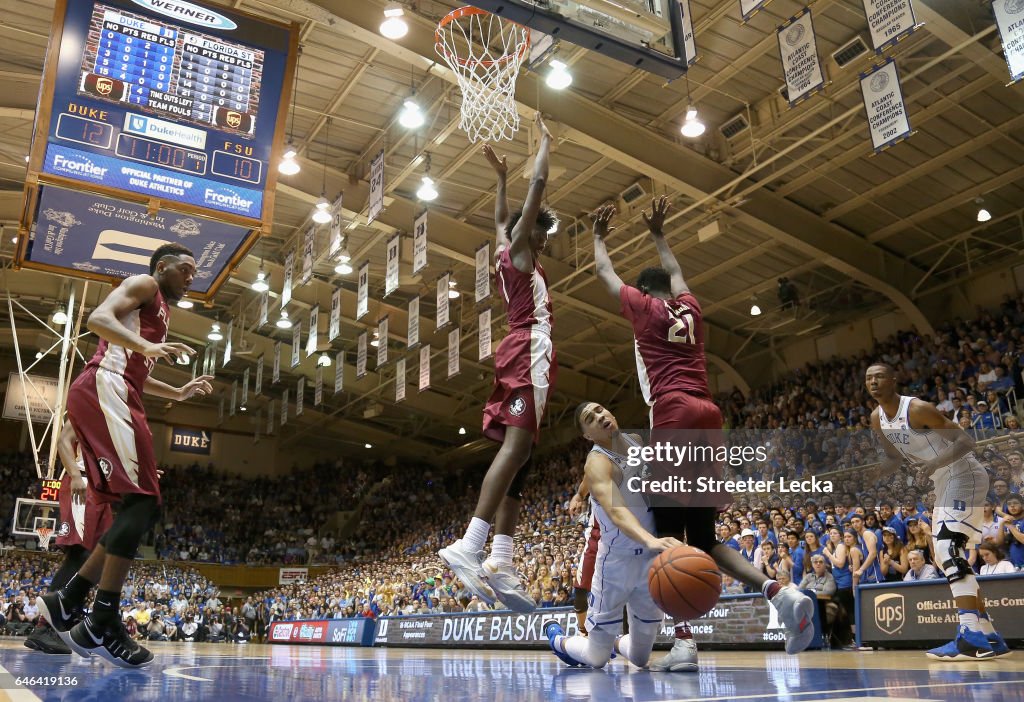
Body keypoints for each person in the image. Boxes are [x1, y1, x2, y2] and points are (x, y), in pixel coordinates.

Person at [589, 199, 815, 669]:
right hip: (709, 416)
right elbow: (677, 272)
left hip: (671, 413)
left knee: (668, 539)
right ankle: (779, 592)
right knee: (706, 538)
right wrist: (657, 233)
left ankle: (686, 643)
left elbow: (605, 275)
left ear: (644, 293)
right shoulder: (691, 308)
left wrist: (598, 236)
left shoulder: (644, 314)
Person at [38, 243, 213, 668]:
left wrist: (177, 390)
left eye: (195, 271)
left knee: (135, 507)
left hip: (119, 389)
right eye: (185, 269)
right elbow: (99, 319)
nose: (192, 277)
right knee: (144, 503)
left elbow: (137, 365)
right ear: (163, 266)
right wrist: (145, 346)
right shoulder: (144, 283)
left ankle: (72, 601)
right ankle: (99, 620)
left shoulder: (160, 313)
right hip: (106, 386)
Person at [439, 115, 558, 613]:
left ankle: (501, 558)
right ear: (531, 234)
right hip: (529, 346)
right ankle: (472, 544)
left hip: (520, 346)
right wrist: (544, 146)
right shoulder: (524, 253)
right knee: (516, 448)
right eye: (542, 231)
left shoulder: (507, 252)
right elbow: (535, 194)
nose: (546, 239)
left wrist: (502, 179)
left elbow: (502, 219)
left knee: (524, 453)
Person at [867, 363, 1008, 660]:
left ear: (893, 380)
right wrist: (879, 470)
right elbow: (894, 457)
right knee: (948, 557)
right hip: (944, 483)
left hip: (964, 474)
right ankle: (990, 636)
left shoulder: (917, 409)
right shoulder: (877, 419)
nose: (873, 381)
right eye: (868, 378)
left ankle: (969, 634)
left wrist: (934, 463)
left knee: (946, 548)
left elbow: (967, 441)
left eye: (879, 376)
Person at [543, 402, 683, 669]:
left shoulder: (636, 441)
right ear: (587, 436)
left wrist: (579, 493)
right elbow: (617, 513)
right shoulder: (596, 462)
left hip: (649, 561)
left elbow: (590, 481)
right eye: (590, 418)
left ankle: (615, 643)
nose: (600, 416)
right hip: (616, 562)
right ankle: (556, 638)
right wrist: (651, 539)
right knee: (596, 659)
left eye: (601, 410)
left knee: (641, 659)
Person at [24, 422, 113, 655]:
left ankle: (60, 626)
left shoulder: (117, 414)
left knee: (97, 561)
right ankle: (45, 627)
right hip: (83, 482)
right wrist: (74, 473)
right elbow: (64, 439)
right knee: (79, 556)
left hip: (102, 491)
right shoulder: (90, 396)